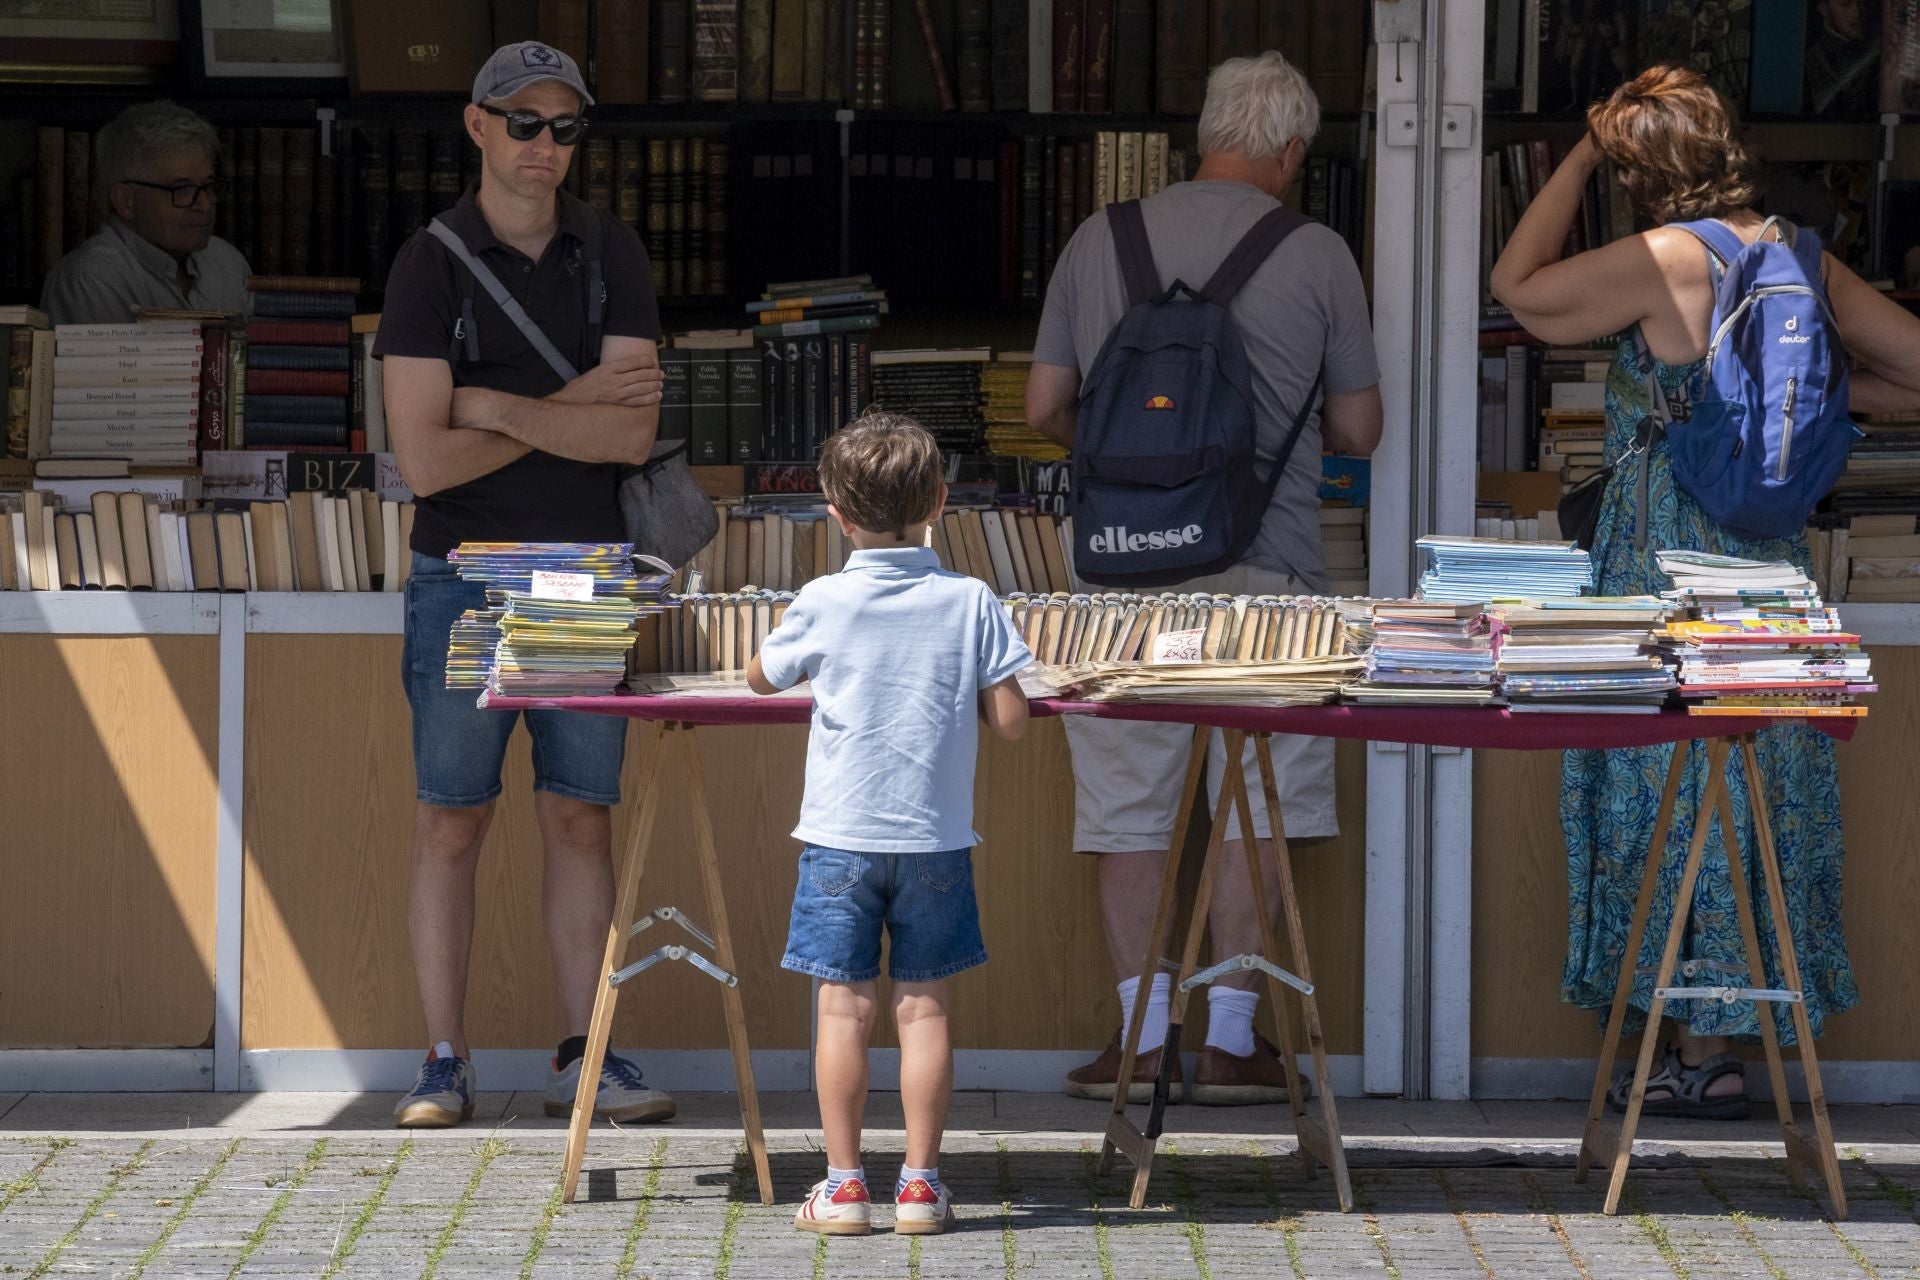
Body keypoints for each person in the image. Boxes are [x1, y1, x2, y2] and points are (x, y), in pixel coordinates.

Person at [1491, 65, 1920, 1117]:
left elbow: (1519, 288)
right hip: (1768, 566)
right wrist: (1821, 394)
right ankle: (1720, 1035)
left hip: (1661, 555)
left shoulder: (1660, 258)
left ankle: (1691, 1042)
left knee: (1663, 782)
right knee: (1751, 782)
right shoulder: (1796, 258)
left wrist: (1582, 146)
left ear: (1640, 173)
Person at [1025, 51, 1383, 1107]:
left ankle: (1140, 1040)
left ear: (1205, 132)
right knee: (1255, 805)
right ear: (1288, 151)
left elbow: (1050, 405)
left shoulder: (1102, 239)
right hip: (1268, 577)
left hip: (1124, 578)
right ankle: (1233, 1039)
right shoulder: (1317, 254)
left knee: (1130, 808)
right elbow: (1361, 426)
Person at [376, 41, 674, 1128]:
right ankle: (443, 1058)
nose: (545, 146)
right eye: (524, 122)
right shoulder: (429, 263)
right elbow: (425, 464)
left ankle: (586, 1054)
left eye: (564, 128)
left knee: (578, 819)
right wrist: (569, 407)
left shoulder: (613, 252)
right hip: (463, 576)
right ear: (477, 125)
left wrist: (493, 406)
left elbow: (631, 428)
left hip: (578, 579)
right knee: (451, 819)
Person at [747, 411, 1032, 1236]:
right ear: (941, 501)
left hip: (839, 837)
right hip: (936, 839)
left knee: (842, 1011)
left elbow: (761, 678)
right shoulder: (971, 599)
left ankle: (841, 1188)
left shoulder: (822, 599)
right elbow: (1013, 723)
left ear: (833, 513)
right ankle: (919, 1186)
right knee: (924, 1011)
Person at [41, 100, 250, 325]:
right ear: (126, 201)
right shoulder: (91, 278)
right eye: (181, 189)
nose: (205, 204)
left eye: (208, 186)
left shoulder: (227, 261)